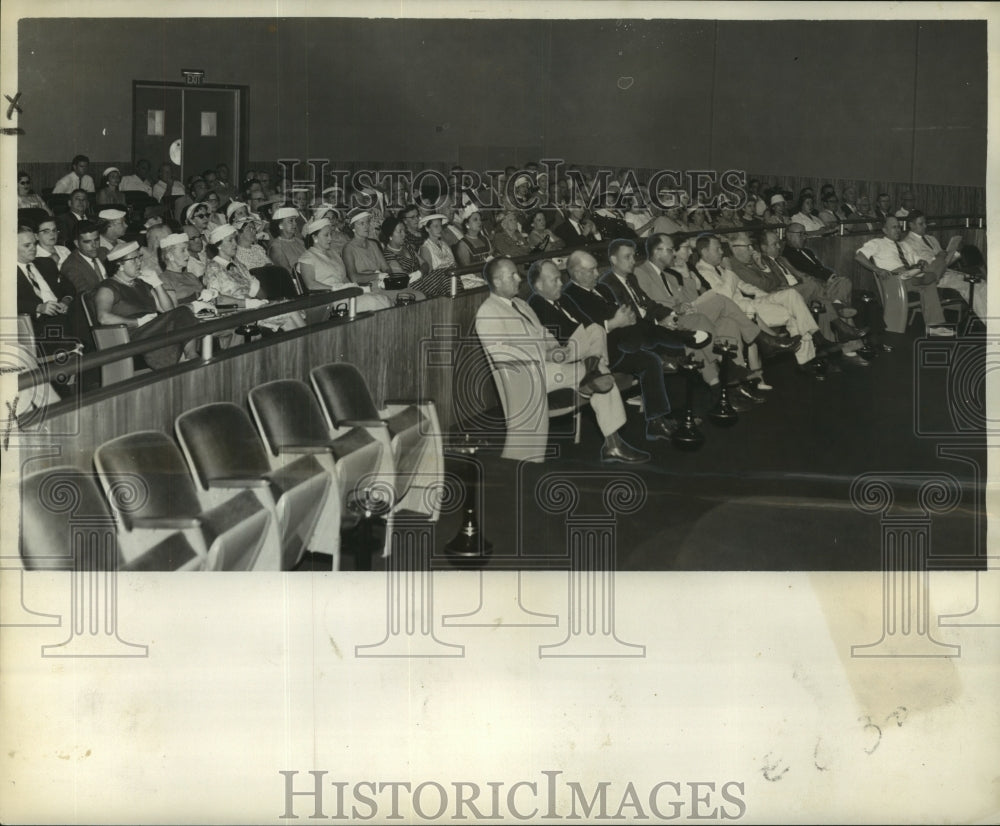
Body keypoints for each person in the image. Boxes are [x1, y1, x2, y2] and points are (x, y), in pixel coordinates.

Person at [475, 257, 649, 464]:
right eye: (511, 275)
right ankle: (613, 442)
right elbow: (503, 355)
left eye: (517, 273)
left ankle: (590, 375)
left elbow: (545, 334)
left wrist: (558, 350)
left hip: (552, 361)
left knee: (595, 332)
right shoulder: (488, 312)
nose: (519, 278)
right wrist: (546, 354)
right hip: (532, 374)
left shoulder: (521, 304)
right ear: (496, 282)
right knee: (602, 373)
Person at [695, 234, 823, 373]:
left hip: (753, 303)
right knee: (793, 316)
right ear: (705, 252)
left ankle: (814, 336)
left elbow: (745, 286)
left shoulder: (720, 267)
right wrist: (729, 271)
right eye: (717, 249)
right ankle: (807, 357)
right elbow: (724, 297)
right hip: (741, 311)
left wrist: (768, 297)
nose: (721, 252)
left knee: (791, 295)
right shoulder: (702, 272)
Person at [93, 241, 202, 368]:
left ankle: (190, 358)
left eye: (139, 257)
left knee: (182, 311)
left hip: (153, 329)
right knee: (183, 313)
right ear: (120, 265)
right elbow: (103, 318)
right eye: (134, 259)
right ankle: (191, 358)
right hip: (133, 335)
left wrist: (157, 284)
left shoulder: (141, 283)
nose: (140, 262)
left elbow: (168, 310)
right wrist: (137, 322)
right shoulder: (108, 287)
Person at [854, 216, 954, 337]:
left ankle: (934, 327)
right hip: (894, 279)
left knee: (939, 262)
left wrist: (921, 263)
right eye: (894, 227)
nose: (898, 230)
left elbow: (918, 260)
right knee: (929, 281)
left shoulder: (904, 245)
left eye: (899, 227)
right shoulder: (877, 243)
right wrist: (877, 269)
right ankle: (931, 276)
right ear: (885, 230)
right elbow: (859, 256)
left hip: (911, 274)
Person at [203, 224, 305, 330]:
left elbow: (257, 290)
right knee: (288, 315)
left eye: (235, 239)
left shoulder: (238, 264)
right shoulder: (213, 267)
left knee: (289, 307)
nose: (235, 244)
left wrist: (264, 302)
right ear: (218, 245)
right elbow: (216, 300)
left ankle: (305, 344)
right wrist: (249, 303)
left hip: (252, 308)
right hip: (235, 313)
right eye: (230, 240)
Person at [900, 210, 987, 322]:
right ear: (911, 225)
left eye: (925, 223)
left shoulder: (932, 239)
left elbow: (945, 263)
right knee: (971, 287)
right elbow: (925, 267)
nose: (925, 226)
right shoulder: (906, 244)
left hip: (948, 272)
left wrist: (955, 253)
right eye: (921, 224)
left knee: (982, 283)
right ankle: (990, 323)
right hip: (934, 277)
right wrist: (938, 257)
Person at [16, 226, 76, 353]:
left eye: (34, 243)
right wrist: (39, 307)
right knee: (62, 323)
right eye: (27, 245)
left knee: (80, 308)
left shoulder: (45, 263)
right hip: (35, 323)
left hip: (62, 314)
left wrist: (65, 301)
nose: (34, 248)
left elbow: (69, 287)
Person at [60, 221, 108, 293]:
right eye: (87, 242)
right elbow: (86, 295)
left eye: (96, 240)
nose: (94, 245)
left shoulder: (104, 252)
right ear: (77, 243)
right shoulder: (71, 266)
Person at [267, 206, 307, 274]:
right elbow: (288, 272)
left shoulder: (299, 241)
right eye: (291, 221)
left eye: (295, 220)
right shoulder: (276, 247)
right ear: (281, 225)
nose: (295, 224)